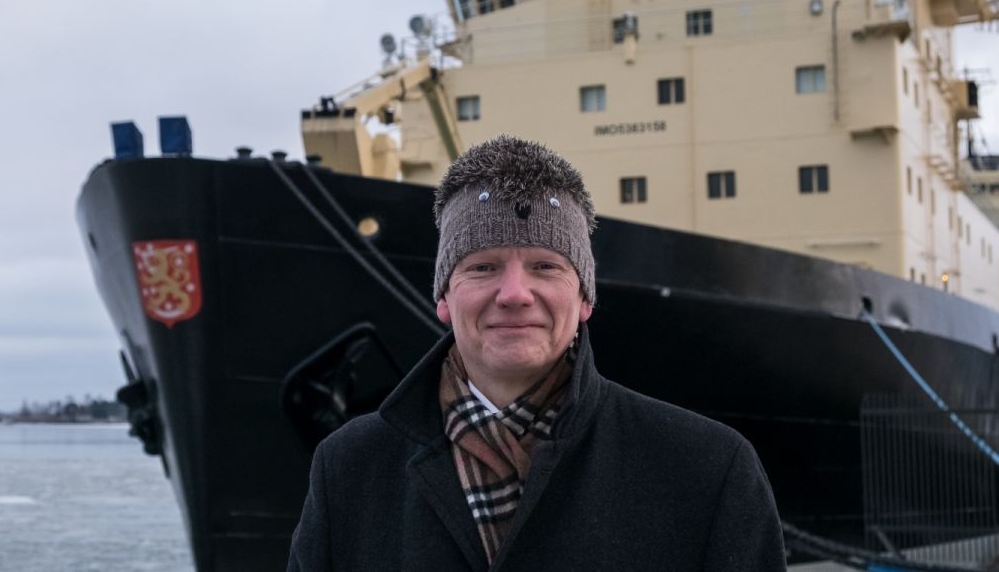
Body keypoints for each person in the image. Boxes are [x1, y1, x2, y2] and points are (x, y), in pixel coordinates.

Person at [287, 135, 785, 571]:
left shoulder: (709, 469)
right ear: (443, 297)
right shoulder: (347, 469)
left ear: (585, 298)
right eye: (483, 267)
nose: (514, 294)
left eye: (545, 266)